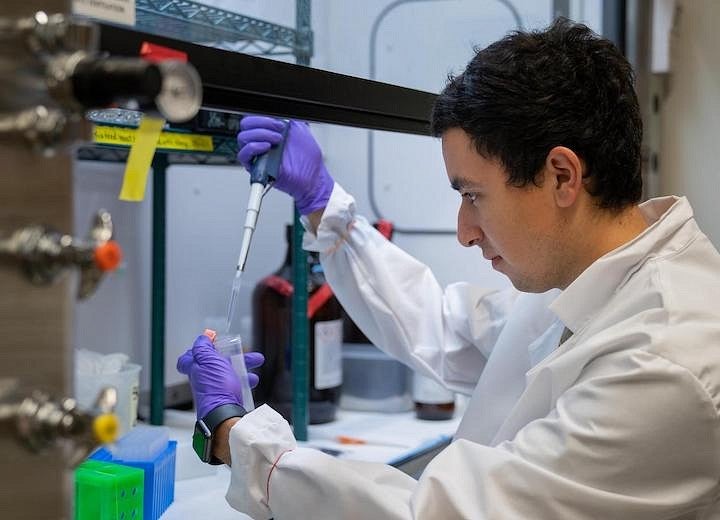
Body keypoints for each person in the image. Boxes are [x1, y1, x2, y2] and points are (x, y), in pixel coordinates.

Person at [177, 18, 720, 519]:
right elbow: (444, 326)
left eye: (473, 195)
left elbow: (436, 515)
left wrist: (232, 433)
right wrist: (323, 202)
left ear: (561, 176)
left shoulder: (664, 360)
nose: (465, 230)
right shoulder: (597, 279)